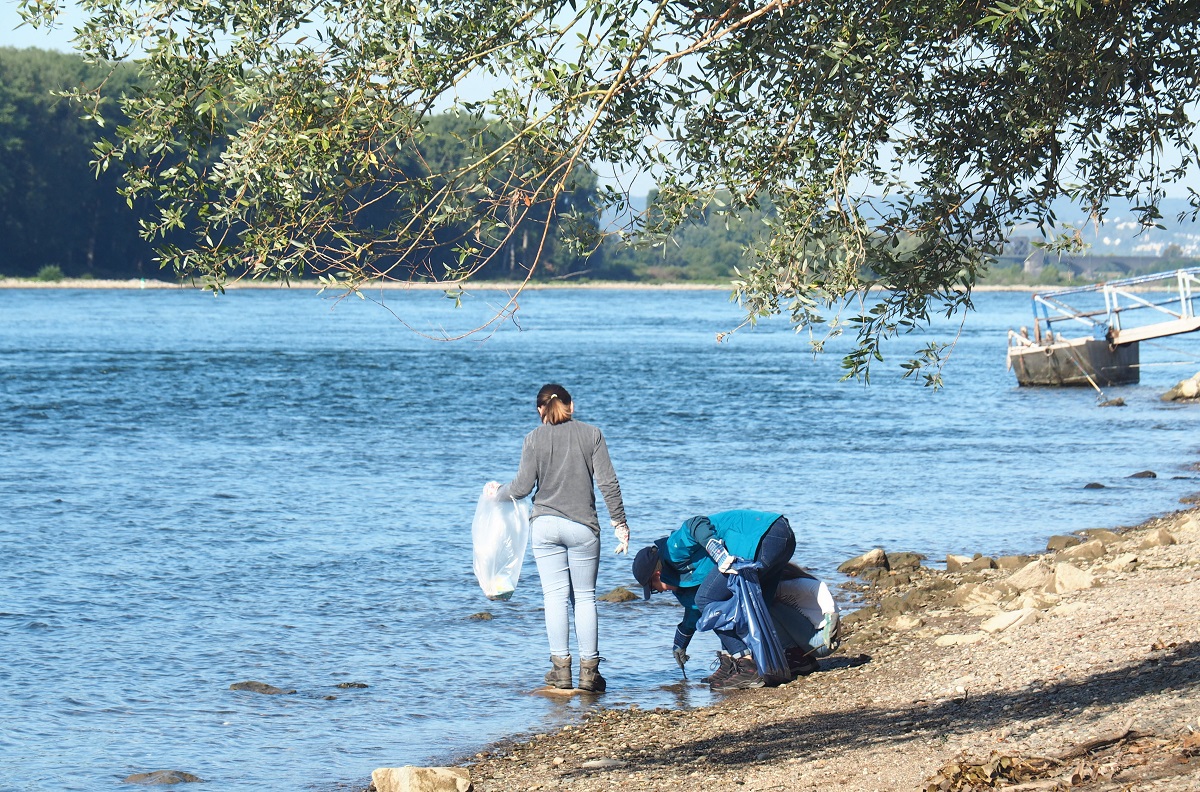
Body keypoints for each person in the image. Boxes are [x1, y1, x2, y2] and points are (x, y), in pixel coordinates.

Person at [487, 384, 629, 693]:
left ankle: (560, 672)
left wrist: (497, 494)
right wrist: (620, 522)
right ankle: (589, 674)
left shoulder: (533, 439)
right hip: (583, 527)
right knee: (585, 597)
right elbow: (607, 482)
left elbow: (522, 487)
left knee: (554, 597)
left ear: (540, 411)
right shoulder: (593, 434)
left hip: (545, 526)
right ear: (571, 405)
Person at [631, 509, 796, 690]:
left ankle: (746, 666)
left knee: (706, 599)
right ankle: (788, 658)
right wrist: (680, 643)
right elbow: (695, 610)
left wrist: (717, 551)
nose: (658, 592)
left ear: (657, 573)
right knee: (756, 606)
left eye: (653, 588)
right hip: (782, 537)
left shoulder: (671, 550)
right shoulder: (680, 580)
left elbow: (694, 523)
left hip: (760, 535)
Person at [769, 564, 841, 677]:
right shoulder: (788, 585)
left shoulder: (785, 585)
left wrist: (830, 617)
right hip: (820, 640)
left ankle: (795, 656)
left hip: (823, 640)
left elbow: (819, 587)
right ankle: (804, 659)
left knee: (771, 606)